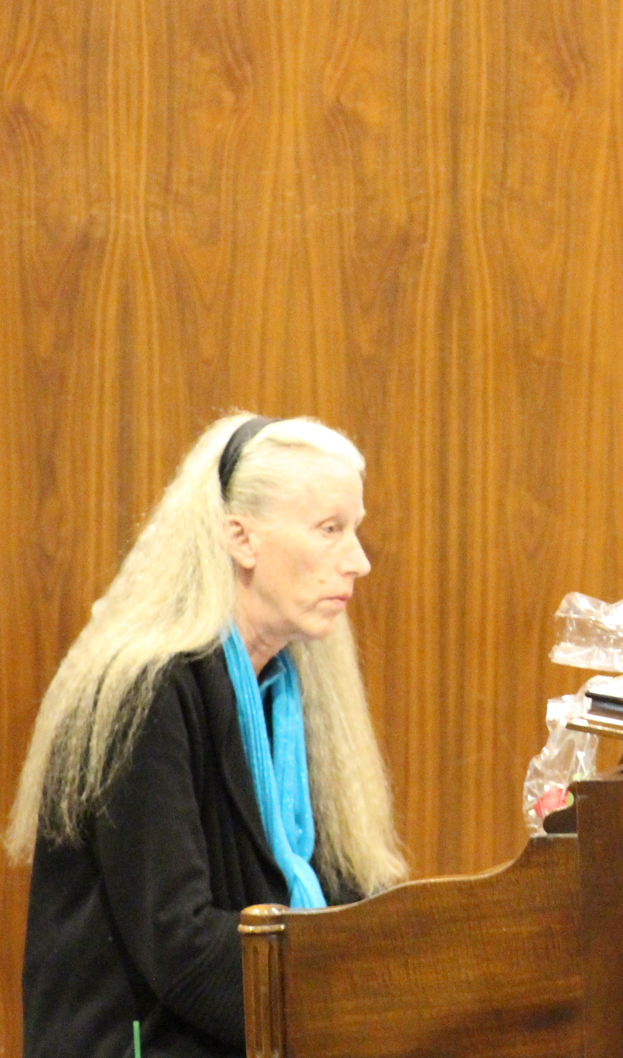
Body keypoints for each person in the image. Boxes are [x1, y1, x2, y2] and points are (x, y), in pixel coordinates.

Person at [6, 413, 407, 1058]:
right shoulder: (142, 692)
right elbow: (182, 946)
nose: (358, 561)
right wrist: (349, 1003)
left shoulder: (284, 686)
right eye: (330, 530)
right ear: (240, 539)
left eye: (354, 530)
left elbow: (337, 887)